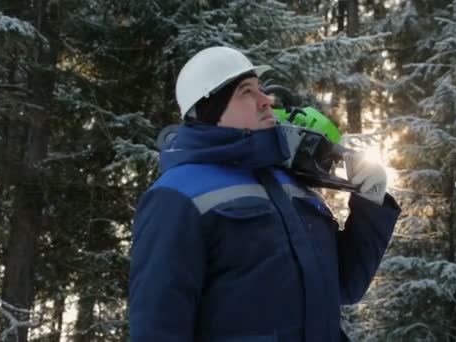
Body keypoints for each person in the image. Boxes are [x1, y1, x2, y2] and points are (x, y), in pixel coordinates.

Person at [129, 46, 401, 341]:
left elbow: (346, 285)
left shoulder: (290, 184)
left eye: (262, 89)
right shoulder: (177, 194)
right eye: (246, 92)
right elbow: (157, 326)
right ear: (210, 110)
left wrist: (370, 204)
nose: (266, 100)